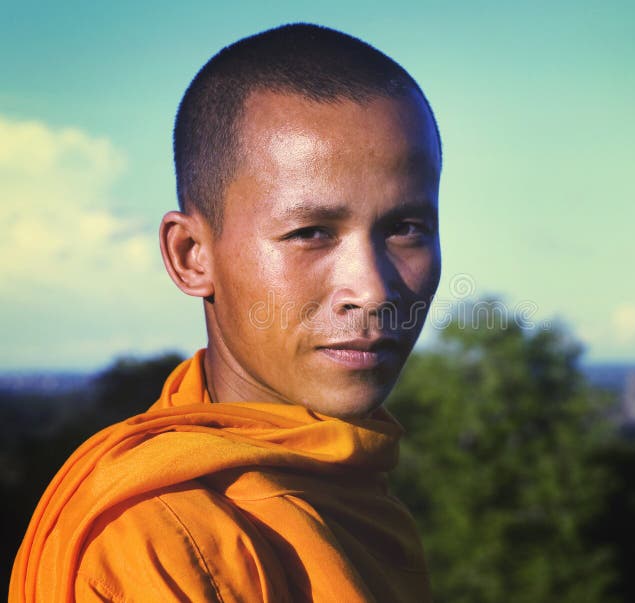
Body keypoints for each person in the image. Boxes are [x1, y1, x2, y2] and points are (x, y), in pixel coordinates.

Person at [10, 23, 441, 602]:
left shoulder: (356, 484)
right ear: (192, 256)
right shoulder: (157, 542)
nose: (372, 290)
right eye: (310, 232)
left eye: (406, 228)